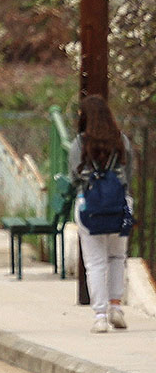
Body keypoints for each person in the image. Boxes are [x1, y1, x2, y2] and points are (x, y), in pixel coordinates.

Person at [71, 95, 135, 335]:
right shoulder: (122, 141)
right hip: (120, 205)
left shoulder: (80, 143)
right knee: (117, 257)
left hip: (90, 207)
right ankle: (116, 307)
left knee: (95, 262)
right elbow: (129, 174)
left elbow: (74, 176)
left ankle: (100, 316)